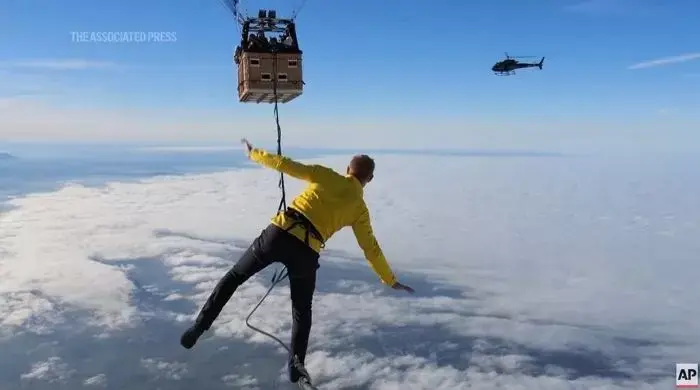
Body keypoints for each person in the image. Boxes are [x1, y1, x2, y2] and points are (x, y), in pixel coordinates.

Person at [179, 138, 414, 384]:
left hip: (279, 235)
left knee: (235, 277)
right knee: (302, 311)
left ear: (347, 170)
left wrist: (253, 154)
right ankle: (296, 365)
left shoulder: (325, 175)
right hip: (307, 252)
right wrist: (390, 280)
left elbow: (285, 164)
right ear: (370, 179)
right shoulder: (359, 209)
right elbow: (371, 248)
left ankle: (198, 327)